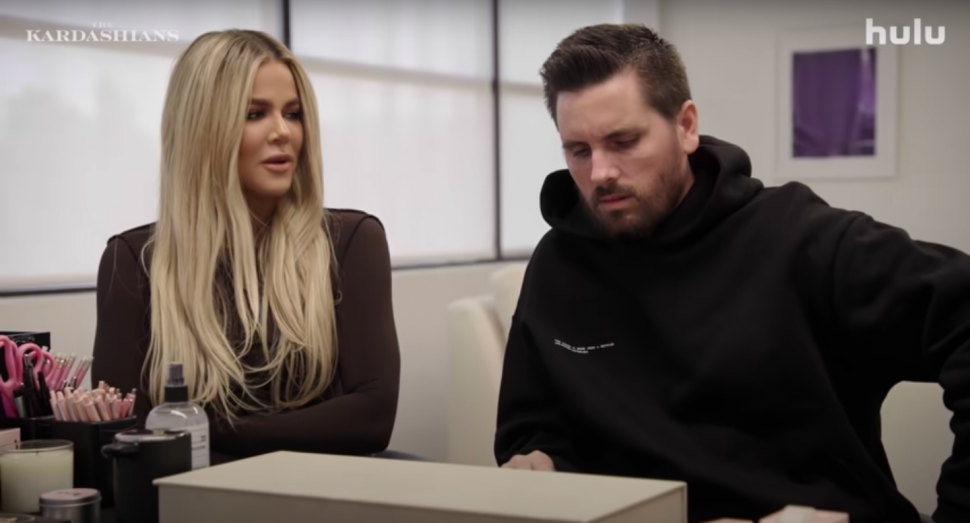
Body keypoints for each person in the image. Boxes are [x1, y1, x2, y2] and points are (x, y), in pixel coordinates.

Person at [493, 23, 968, 523]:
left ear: (685, 126)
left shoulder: (800, 239)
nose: (600, 173)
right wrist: (538, 460)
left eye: (624, 141)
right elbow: (531, 427)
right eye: (579, 150)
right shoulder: (559, 263)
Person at [91, 29, 401, 464]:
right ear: (203, 129)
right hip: (193, 495)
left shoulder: (351, 242)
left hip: (323, 489)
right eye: (255, 114)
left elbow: (372, 418)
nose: (283, 132)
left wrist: (205, 430)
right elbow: (127, 439)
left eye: (293, 114)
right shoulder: (132, 261)